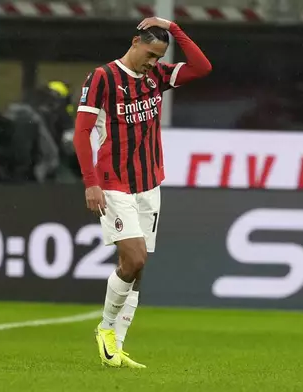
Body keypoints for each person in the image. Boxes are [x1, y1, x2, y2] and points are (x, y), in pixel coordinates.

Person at [72, 16, 213, 368]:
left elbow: (202, 66)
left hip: (149, 183)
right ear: (135, 42)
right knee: (134, 259)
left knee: (138, 269)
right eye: (151, 53)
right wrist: (90, 181)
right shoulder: (103, 77)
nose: (154, 61)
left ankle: (115, 348)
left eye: (159, 56)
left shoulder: (156, 76)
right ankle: (105, 330)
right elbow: (81, 133)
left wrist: (174, 28)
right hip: (113, 182)